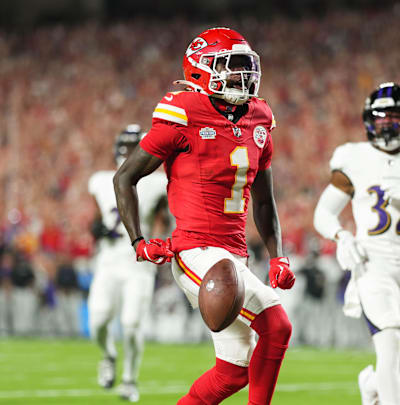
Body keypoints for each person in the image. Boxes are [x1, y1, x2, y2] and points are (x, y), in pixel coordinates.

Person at [113, 27, 295, 405]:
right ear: (200, 69)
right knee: (277, 325)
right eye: (231, 67)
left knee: (232, 374)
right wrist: (139, 242)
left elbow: (264, 201)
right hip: (197, 250)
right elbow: (125, 177)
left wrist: (278, 255)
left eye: (246, 67)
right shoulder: (185, 110)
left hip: (234, 253)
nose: (242, 77)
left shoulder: (259, 118)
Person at [313, 83, 400, 405]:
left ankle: (372, 386)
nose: (387, 124)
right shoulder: (354, 158)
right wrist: (341, 235)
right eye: (380, 117)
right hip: (372, 264)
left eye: (395, 116)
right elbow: (323, 212)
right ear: (367, 121)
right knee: (389, 337)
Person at [87, 124, 168, 402]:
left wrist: (161, 242)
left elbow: (165, 220)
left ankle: (130, 379)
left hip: (138, 264)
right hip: (108, 262)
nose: (128, 153)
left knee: (132, 323)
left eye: (134, 147)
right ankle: (108, 355)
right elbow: (97, 218)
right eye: (125, 147)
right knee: (97, 320)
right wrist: (95, 228)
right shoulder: (100, 180)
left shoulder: (157, 183)